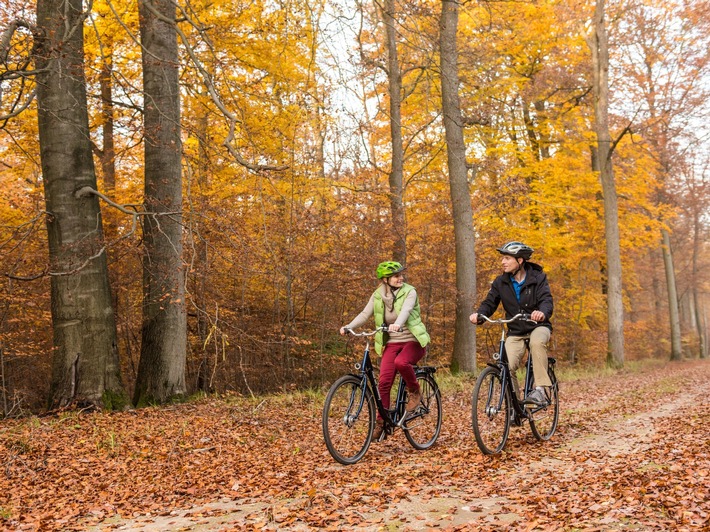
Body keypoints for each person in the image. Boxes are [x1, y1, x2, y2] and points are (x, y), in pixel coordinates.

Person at [340, 261, 431, 440]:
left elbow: (406, 310)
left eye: (401, 275)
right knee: (383, 382)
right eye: (396, 276)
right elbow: (365, 314)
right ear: (385, 279)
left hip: (414, 340)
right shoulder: (378, 295)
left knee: (401, 362)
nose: (400, 278)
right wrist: (349, 326)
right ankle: (382, 422)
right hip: (392, 342)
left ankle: (414, 391)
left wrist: (398, 323)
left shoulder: (410, 291)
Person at [469, 241, 553, 405]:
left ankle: (541, 390)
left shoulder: (538, 278)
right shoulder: (500, 282)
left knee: (536, 343)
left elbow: (546, 300)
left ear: (520, 260)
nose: (503, 262)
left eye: (507, 258)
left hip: (538, 326)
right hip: (516, 331)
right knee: (507, 365)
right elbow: (490, 302)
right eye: (503, 258)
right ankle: (514, 404)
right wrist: (480, 314)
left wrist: (542, 313)